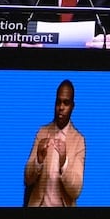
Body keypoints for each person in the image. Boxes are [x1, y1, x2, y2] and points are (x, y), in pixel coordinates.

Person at [24, 79, 86, 207]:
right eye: (58, 102)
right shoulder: (42, 132)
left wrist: (64, 163)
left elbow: (76, 191)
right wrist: (38, 161)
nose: (61, 107)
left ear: (72, 107)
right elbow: (27, 179)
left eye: (66, 103)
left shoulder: (79, 141)